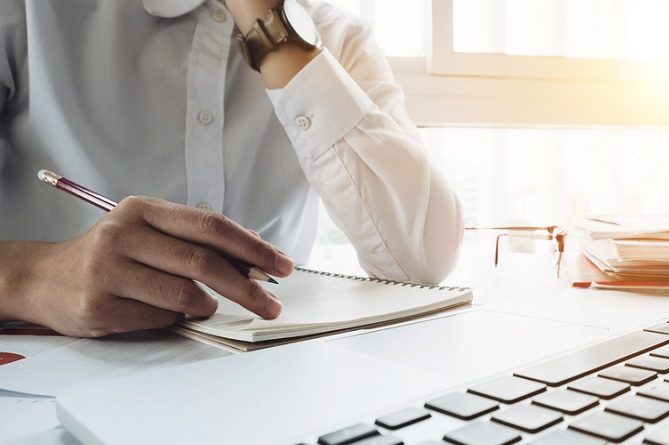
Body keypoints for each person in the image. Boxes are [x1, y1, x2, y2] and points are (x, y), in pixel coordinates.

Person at [0, 0, 463, 337]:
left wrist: (270, 28)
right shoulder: (31, 13)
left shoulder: (336, 37)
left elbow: (419, 260)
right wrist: (29, 277)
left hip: (275, 386)